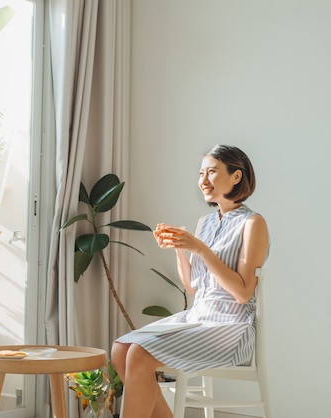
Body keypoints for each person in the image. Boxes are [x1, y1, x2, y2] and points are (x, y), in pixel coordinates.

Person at [110, 144, 270, 418]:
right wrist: (180, 248)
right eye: (201, 173)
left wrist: (201, 249)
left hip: (231, 327)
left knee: (138, 352)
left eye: (212, 172)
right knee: (120, 349)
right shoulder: (205, 223)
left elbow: (243, 293)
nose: (203, 181)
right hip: (199, 316)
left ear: (236, 176)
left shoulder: (252, 223)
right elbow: (194, 288)